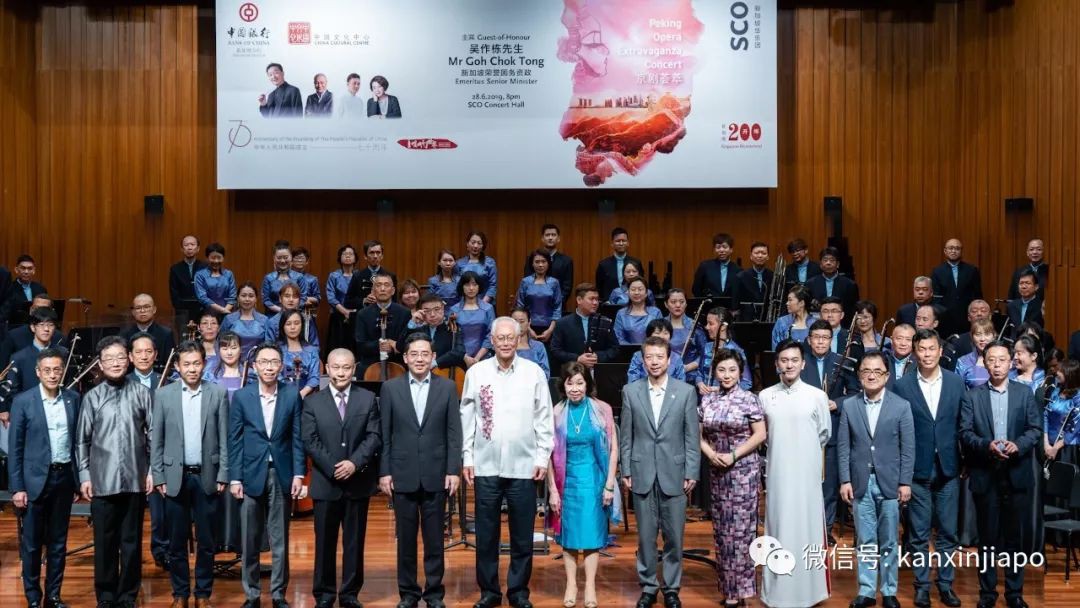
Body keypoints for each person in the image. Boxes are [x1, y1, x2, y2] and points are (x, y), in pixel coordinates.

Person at [461, 317, 554, 608]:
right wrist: (467, 457)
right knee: (486, 534)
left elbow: (544, 418)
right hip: (485, 464)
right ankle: (489, 592)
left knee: (522, 535)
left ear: (518, 340)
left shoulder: (533, 372)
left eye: (509, 338)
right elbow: (467, 419)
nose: (504, 343)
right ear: (491, 340)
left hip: (524, 466)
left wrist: (542, 457)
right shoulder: (476, 373)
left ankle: (518, 592)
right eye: (499, 338)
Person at [379, 336, 461, 608]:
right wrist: (385, 471)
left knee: (435, 540)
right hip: (402, 473)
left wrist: (453, 470)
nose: (419, 359)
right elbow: (385, 434)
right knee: (405, 541)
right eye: (414, 354)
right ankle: (408, 594)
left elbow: (454, 433)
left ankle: (434, 594)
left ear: (433, 356)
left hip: (437, 473)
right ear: (405, 358)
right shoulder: (390, 388)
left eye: (425, 353)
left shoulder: (447, 387)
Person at [958, 340, 1041, 608]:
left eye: (1002, 360)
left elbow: (1035, 429)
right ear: (984, 362)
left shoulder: (1024, 393)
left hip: (1016, 473)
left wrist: (1019, 445)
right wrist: (987, 445)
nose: (996, 365)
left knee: (1014, 539)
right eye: (991, 360)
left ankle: (1015, 593)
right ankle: (987, 593)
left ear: (1011, 362)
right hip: (986, 474)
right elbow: (965, 433)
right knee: (987, 539)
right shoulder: (972, 396)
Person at [620, 336, 700, 608]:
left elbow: (691, 436)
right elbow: (626, 436)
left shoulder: (685, 391)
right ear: (643, 360)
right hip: (641, 471)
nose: (654, 362)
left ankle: (671, 588)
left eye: (659, 357)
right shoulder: (630, 391)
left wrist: (692, 471)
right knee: (645, 537)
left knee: (674, 536)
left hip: (675, 472)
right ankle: (648, 586)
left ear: (669, 359)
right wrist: (626, 468)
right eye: (649, 357)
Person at [150, 340, 230, 608]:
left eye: (197, 363)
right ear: (177, 366)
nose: (192, 369)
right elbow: (157, 440)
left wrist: (223, 473)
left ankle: (203, 594)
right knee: (176, 542)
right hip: (175, 477)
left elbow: (224, 438)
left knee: (206, 541)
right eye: (187, 364)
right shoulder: (164, 395)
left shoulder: (217, 393)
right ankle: (180, 593)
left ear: (204, 364)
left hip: (207, 475)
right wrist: (158, 476)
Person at [76, 335, 153, 608]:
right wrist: (84, 475)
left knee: (131, 543)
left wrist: (152, 471)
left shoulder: (142, 393)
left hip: (135, 479)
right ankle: (106, 596)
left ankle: (128, 596)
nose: (116, 363)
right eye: (109, 358)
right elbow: (82, 441)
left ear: (129, 360)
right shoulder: (92, 397)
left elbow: (153, 434)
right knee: (104, 543)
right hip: (102, 481)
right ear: (100, 363)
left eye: (121, 357)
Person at [229, 343, 307, 608]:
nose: (269, 367)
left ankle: (278, 594)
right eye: (264, 362)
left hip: (281, 473)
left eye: (274, 362)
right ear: (255, 366)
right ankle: (251, 594)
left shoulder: (292, 395)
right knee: (249, 540)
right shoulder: (242, 397)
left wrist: (299, 474)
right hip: (250, 474)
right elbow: (235, 440)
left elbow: (297, 438)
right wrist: (235, 478)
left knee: (280, 539)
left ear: (281, 365)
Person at [303, 349, 381, 608]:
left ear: (354, 368)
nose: (341, 373)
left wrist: (354, 463)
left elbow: (374, 436)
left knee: (354, 543)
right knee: (324, 543)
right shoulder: (313, 402)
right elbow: (310, 440)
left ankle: (349, 594)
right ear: (327, 369)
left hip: (357, 483)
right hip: (326, 483)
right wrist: (334, 467)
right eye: (336, 367)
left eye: (346, 367)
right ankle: (324, 594)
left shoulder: (368, 399)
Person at [894, 329, 965, 608]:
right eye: (921, 349)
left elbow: (963, 424)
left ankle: (945, 585)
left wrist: (965, 461)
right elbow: (897, 431)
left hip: (949, 468)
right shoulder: (902, 386)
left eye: (931, 348)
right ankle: (922, 586)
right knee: (919, 534)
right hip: (917, 469)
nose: (927, 354)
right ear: (914, 353)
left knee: (948, 532)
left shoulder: (956, 382)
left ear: (940, 351)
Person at [838, 352, 915, 608]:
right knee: (865, 540)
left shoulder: (901, 406)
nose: (871, 375)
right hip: (860, 482)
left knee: (890, 540)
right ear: (859, 375)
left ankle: (889, 591)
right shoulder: (850, 405)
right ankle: (867, 591)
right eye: (866, 371)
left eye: (877, 371)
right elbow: (844, 447)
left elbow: (908, 448)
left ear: (887, 375)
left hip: (890, 483)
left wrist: (905, 482)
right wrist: (845, 480)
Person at [759, 339, 831, 608]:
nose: (789, 365)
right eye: (784, 360)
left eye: (794, 360)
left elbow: (823, 434)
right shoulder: (765, 396)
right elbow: (763, 436)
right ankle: (777, 593)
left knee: (808, 530)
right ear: (777, 364)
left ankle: (811, 592)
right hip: (777, 475)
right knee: (779, 529)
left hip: (807, 478)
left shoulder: (817, 396)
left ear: (803, 364)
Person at [7, 348, 80, 608]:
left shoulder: (73, 398)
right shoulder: (23, 401)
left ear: (63, 371)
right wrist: (17, 487)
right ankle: (33, 598)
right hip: (33, 483)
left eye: (57, 370)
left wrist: (77, 480)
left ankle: (53, 596)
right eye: (47, 370)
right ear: (38, 372)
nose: (52, 374)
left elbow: (77, 443)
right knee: (32, 545)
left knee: (58, 543)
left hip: (64, 479)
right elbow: (15, 448)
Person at [547, 362, 621, 608]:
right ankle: (571, 584)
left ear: (588, 384)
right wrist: (553, 490)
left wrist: (609, 484)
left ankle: (589, 585)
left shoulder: (602, 409)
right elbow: (548, 455)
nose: (575, 388)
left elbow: (613, 450)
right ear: (563, 385)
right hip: (566, 482)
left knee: (591, 534)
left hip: (594, 481)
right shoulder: (556, 412)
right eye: (570, 383)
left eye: (580, 383)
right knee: (568, 536)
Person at [698, 348, 766, 608]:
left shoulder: (749, 399)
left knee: (743, 531)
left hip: (744, 471)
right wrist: (711, 454)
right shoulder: (708, 400)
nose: (726, 375)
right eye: (722, 370)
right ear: (715, 372)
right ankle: (729, 590)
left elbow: (760, 434)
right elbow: (697, 435)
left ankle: (744, 590)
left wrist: (734, 455)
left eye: (732, 370)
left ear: (740, 372)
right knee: (723, 531)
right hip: (717, 470)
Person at [800, 319, 859, 543]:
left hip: (833, 428)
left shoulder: (842, 361)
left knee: (829, 485)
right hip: (805, 431)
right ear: (809, 340)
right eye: (816, 337)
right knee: (807, 483)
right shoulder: (801, 362)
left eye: (825, 338)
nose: (820, 342)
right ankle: (806, 529)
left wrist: (837, 403)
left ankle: (825, 530)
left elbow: (855, 392)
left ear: (831, 340)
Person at [124, 331, 170, 569]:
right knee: (131, 510)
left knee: (160, 509)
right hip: (130, 455)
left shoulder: (167, 383)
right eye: (138, 352)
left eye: (148, 351)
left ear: (156, 355)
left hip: (158, 453)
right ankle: (130, 555)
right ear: (130, 357)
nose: (144, 356)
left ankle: (161, 550)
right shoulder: (121, 383)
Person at [4, 308, 69, 410]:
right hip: (29, 410)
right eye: (41, 325)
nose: (46, 329)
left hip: (58, 408)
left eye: (51, 325)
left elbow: (70, 386)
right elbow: (13, 392)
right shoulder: (19, 357)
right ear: (33, 327)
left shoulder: (64, 353)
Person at [549, 283, 620, 372]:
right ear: (579, 300)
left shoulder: (605, 322)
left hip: (599, 372)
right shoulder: (562, 323)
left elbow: (615, 349)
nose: (595, 303)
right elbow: (556, 350)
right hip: (572, 371)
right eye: (591, 299)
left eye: (597, 299)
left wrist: (598, 356)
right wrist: (577, 358)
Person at [354, 271, 411, 371]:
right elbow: (360, 345)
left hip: (397, 364)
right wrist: (378, 345)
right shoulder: (363, 314)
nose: (383, 289)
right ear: (373, 291)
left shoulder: (404, 313)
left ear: (393, 291)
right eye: (378, 285)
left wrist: (393, 346)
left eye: (386, 285)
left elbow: (408, 342)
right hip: (370, 365)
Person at [691, 307, 752, 393]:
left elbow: (747, 383)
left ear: (723, 327)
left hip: (727, 399)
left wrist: (720, 389)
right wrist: (700, 384)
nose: (706, 327)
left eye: (710, 324)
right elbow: (699, 373)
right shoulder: (707, 347)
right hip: (705, 398)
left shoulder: (736, 351)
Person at [400, 293, 466, 372]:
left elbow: (459, 351)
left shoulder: (452, 328)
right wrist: (412, 323)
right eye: (427, 311)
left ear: (443, 309)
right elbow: (400, 347)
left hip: (443, 373)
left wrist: (435, 363)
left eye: (437, 309)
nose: (432, 314)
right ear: (421, 312)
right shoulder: (418, 329)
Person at [931, 238, 983, 337]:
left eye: (957, 248)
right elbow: (936, 298)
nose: (954, 251)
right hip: (945, 319)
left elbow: (977, 296)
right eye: (951, 248)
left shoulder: (972, 270)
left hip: (966, 318)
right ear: (945, 251)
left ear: (961, 251)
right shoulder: (937, 271)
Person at [0, 293, 62, 368]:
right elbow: (3, 367)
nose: (39, 312)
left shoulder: (60, 337)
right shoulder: (13, 336)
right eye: (36, 308)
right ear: (30, 310)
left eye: (44, 309)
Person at [521, 224, 574, 310]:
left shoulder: (566, 261)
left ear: (558, 238)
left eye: (553, 235)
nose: (550, 237)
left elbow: (567, 288)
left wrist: (556, 303)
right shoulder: (532, 258)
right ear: (542, 238)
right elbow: (528, 282)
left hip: (557, 308)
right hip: (534, 306)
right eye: (547, 235)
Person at [448, 271, 495, 366]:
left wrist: (477, 358)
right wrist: (465, 357)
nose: (471, 288)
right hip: (460, 358)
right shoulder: (454, 310)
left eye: (474, 284)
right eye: (467, 285)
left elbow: (491, 334)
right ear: (462, 287)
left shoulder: (488, 308)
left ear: (479, 287)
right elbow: (451, 337)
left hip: (484, 357)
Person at [516, 249, 563, 343]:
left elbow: (557, 308)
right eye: (537, 262)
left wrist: (550, 330)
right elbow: (520, 307)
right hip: (528, 327)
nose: (540, 265)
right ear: (532, 264)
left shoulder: (554, 282)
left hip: (550, 327)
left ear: (548, 263)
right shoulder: (525, 282)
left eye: (543, 261)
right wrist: (528, 329)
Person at [119, 293, 176, 366]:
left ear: (154, 309)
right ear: (133, 312)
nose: (142, 311)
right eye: (138, 308)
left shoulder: (166, 334)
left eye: (146, 307)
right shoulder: (124, 335)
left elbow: (170, 363)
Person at [276, 309, 321, 398]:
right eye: (288, 324)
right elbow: (276, 375)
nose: (293, 327)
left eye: (296, 323)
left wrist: (302, 394)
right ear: (282, 326)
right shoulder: (277, 350)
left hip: (306, 396)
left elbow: (314, 377)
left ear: (302, 325)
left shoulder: (312, 350)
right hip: (282, 395)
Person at [1043, 360, 1080, 469]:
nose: (1057, 373)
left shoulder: (1077, 397)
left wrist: (1055, 448)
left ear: (1070, 375)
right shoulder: (1056, 390)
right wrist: (1046, 443)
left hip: (1067, 448)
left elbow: (1074, 429)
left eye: (1061, 371)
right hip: (1048, 444)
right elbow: (1046, 414)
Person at [221, 282, 272, 361]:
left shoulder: (264, 320)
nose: (247, 299)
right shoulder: (229, 319)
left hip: (258, 363)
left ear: (256, 299)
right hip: (233, 363)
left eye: (251, 296)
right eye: (243, 295)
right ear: (238, 298)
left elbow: (269, 347)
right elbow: (221, 344)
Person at [627, 319, 687, 384]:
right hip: (642, 389)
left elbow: (681, 383)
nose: (661, 337)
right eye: (657, 333)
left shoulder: (677, 358)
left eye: (665, 333)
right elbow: (632, 381)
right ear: (649, 335)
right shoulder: (638, 356)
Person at [806, 247, 859, 319]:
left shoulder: (849, 285)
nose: (828, 263)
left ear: (838, 264)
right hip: (817, 323)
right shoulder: (810, 284)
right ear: (820, 264)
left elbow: (853, 310)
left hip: (843, 323)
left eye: (832, 260)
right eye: (825, 260)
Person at [169, 235, 208, 333]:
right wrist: (183, 312)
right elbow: (174, 294)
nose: (189, 247)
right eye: (186, 245)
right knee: (183, 339)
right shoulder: (175, 269)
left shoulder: (206, 267)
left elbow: (209, 291)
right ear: (182, 249)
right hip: (182, 312)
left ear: (198, 248)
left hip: (202, 310)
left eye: (192, 244)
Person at [344, 240, 397, 310]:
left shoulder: (390, 276)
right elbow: (347, 302)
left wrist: (383, 300)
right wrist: (364, 301)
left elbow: (395, 301)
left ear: (382, 256)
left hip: (385, 314)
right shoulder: (357, 276)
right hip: (363, 314)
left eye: (378, 252)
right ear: (365, 256)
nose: (375, 256)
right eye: (372, 253)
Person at [664, 288, 706, 376]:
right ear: (666, 304)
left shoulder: (695, 326)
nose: (678, 305)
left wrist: (687, 367)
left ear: (686, 304)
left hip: (689, 374)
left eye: (682, 302)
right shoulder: (660, 325)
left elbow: (704, 353)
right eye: (673, 302)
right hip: (664, 373)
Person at [264, 283, 320, 348]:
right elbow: (269, 347)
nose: (291, 300)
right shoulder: (272, 322)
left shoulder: (307, 320)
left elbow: (315, 345)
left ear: (299, 300)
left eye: (295, 296)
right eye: (287, 296)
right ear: (280, 298)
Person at [326, 244, 359, 354]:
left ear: (355, 258)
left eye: (350, 254)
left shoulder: (359, 275)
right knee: (338, 346)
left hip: (356, 316)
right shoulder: (334, 276)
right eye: (344, 254)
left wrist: (352, 312)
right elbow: (331, 297)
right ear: (340, 257)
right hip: (338, 316)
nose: (348, 256)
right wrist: (345, 312)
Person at [594, 227, 642, 303]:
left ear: (628, 243)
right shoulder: (603, 265)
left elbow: (641, 284)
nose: (621, 243)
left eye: (624, 241)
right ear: (612, 244)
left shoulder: (636, 262)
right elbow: (599, 288)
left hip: (633, 303)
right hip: (610, 305)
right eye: (618, 241)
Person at [0, 254, 47, 327]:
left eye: (30, 268)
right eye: (23, 268)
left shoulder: (40, 288)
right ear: (16, 270)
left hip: (38, 327)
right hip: (16, 327)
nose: (26, 272)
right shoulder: (10, 288)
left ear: (34, 270)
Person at [731, 241, 772, 320]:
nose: (760, 256)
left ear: (768, 257)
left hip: (767, 318)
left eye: (763, 253)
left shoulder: (773, 276)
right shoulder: (740, 276)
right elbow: (735, 304)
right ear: (751, 256)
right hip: (746, 319)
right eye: (757, 253)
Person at [614, 277, 663, 345]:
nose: (636, 293)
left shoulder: (656, 312)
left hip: (652, 349)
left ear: (646, 293)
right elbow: (618, 337)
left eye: (640, 289)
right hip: (626, 350)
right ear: (628, 292)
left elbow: (660, 335)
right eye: (633, 289)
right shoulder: (621, 313)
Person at [691, 233, 740, 299]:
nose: (721, 250)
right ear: (714, 249)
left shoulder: (738, 270)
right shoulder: (705, 266)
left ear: (731, 249)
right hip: (709, 304)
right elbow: (696, 289)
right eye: (718, 247)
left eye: (724, 247)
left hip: (729, 305)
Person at [194, 242, 238, 316]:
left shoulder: (229, 274)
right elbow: (202, 297)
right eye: (213, 258)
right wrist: (222, 310)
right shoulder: (200, 275)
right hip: (208, 314)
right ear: (207, 258)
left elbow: (233, 296)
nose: (216, 261)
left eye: (219, 258)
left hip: (228, 312)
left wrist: (225, 310)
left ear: (223, 258)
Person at [205, 331, 251, 400]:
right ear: (219, 350)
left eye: (233, 348)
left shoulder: (250, 374)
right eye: (225, 349)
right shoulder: (210, 375)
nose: (229, 353)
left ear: (240, 349)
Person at [456, 231, 498, 305]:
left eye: (479, 243)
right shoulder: (459, 263)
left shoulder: (490, 262)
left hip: (485, 304)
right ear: (467, 244)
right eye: (473, 242)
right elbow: (458, 285)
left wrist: (482, 304)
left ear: (483, 246)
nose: (475, 246)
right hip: (465, 304)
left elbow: (493, 286)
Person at [770, 284, 818, 349]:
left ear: (801, 303)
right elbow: (776, 348)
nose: (787, 303)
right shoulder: (782, 322)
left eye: (790, 300)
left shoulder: (815, 323)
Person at [261, 242, 303, 314]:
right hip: (273, 315)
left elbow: (303, 298)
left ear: (291, 257)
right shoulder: (268, 278)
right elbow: (266, 300)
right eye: (279, 258)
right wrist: (282, 311)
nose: (283, 261)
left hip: (295, 314)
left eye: (286, 257)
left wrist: (291, 311)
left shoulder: (299, 277)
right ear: (274, 258)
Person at [955, 319, 996, 389]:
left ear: (993, 336)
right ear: (972, 337)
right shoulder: (963, 362)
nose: (982, 339)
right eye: (978, 334)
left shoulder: (1004, 359)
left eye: (987, 334)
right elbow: (957, 389)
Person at [509, 307, 550, 377]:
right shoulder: (506, 346)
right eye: (515, 322)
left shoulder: (538, 347)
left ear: (529, 322)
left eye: (522, 321)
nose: (518, 325)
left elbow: (545, 373)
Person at [884, 323, 917, 390]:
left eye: (908, 339)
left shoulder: (920, 363)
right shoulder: (882, 360)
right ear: (891, 340)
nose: (903, 343)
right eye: (899, 338)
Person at [290, 247, 321, 311]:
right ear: (291, 261)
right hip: (288, 311)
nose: (299, 260)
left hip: (306, 311)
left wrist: (304, 299)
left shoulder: (313, 279)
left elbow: (317, 298)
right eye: (297, 258)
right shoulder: (286, 277)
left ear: (307, 262)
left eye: (302, 258)